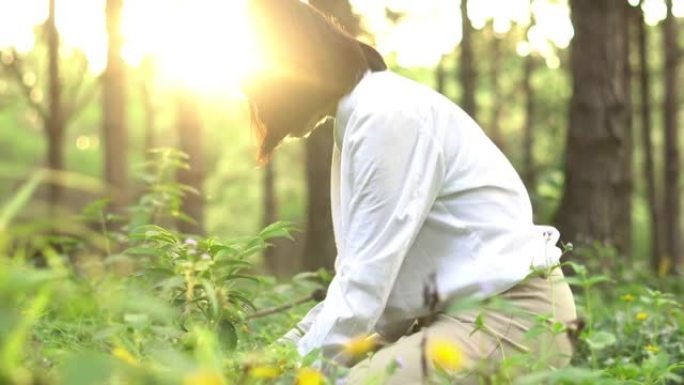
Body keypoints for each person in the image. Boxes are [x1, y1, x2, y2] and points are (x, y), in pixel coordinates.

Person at [242, 0, 577, 383]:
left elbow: (362, 291)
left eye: (258, 90)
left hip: (513, 318)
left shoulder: (385, 118)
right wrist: (277, 357)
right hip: (458, 317)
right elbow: (354, 282)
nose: (258, 107)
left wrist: (283, 375)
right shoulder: (364, 118)